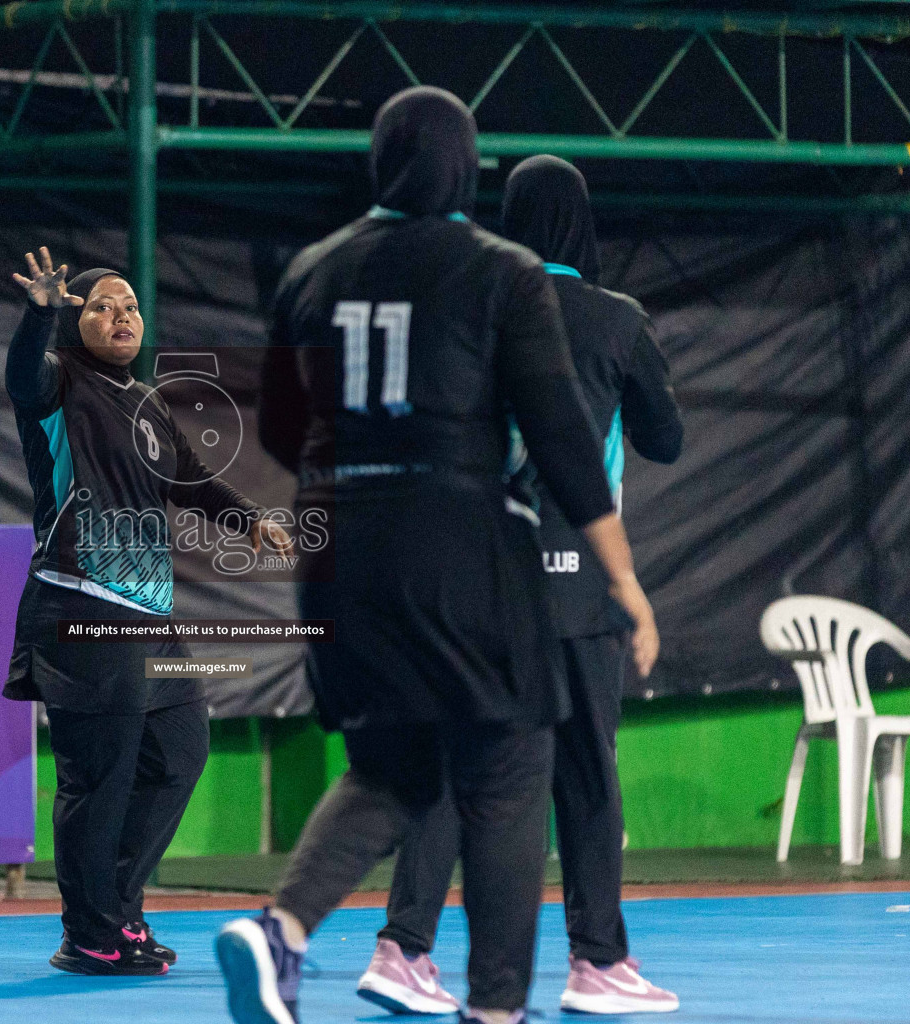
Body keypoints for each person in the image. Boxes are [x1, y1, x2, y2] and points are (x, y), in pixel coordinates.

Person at [217, 87, 659, 1024]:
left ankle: (281, 930)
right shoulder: (499, 270)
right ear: (466, 165)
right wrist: (620, 579)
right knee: (509, 761)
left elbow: (284, 433)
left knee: (399, 763)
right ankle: (496, 1008)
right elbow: (562, 442)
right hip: (457, 543)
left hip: (336, 550)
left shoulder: (310, 271)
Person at [355, 155, 684, 1017]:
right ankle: (597, 963)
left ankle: (401, 949)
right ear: (582, 224)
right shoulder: (616, 319)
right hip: (575, 586)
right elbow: (665, 439)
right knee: (584, 775)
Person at [3, 248, 291, 977]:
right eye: (100, 306)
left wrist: (250, 521)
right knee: (99, 777)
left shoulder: (149, 401)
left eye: (128, 305)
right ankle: (88, 932)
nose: (119, 315)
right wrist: (40, 315)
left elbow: (190, 482)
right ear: (77, 323)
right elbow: (20, 376)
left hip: (147, 616)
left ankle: (118, 912)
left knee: (178, 753)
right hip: (79, 606)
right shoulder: (58, 384)